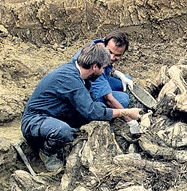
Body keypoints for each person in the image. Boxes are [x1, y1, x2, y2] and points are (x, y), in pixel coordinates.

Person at [21, 42, 142, 171]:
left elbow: (94, 105)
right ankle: (47, 152)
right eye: (102, 68)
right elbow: (92, 112)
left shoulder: (83, 77)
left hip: (56, 114)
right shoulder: (70, 79)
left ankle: (64, 141)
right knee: (64, 131)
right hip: (35, 121)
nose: (103, 72)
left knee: (97, 110)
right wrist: (126, 112)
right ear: (95, 67)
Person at [72, 31, 140, 137]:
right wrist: (130, 120)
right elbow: (108, 99)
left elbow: (109, 67)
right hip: (82, 91)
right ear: (105, 45)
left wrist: (119, 74)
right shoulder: (96, 63)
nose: (112, 57)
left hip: (98, 80)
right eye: (110, 52)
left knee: (127, 79)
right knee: (123, 99)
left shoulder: (100, 46)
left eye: (117, 55)